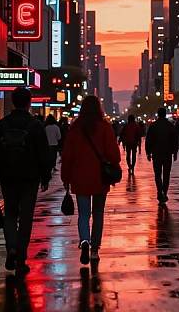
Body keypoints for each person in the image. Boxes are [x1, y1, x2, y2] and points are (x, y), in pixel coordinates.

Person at [0, 87, 51, 277]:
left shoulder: (2, 125)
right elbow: (44, 153)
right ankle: (21, 257)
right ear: (29, 102)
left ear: (13, 101)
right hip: (30, 178)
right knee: (26, 217)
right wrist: (45, 176)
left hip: (7, 177)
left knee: (10, 213)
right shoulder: (35, 125)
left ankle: (11, 249)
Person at [61, 95, 120, 265]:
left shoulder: (75, 128)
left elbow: (67, 156)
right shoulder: (105, 127)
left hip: (79, 178)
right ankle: (95, 249)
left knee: (84, 214)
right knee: (98, 213)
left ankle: (85, 240)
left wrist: (66, 177)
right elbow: (114, 155)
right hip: (100, 178)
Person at [146, 108, 178, 205]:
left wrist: (148, 152)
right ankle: (164, 192)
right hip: (167, 153)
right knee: (166, 174)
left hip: (157, 153)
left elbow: (149, 140)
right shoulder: (170, 126)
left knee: (158, 174)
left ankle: (160, 191)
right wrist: (175, 152)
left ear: (158, 114)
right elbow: (175, 140)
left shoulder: (153, 126)